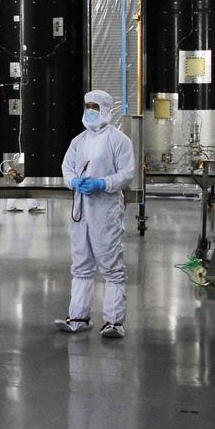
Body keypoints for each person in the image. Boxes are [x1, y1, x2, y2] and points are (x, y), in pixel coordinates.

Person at [56, 90, 135, 337]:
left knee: (110, 264)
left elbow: (127, 173)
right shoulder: (78, 141)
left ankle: (114, 321)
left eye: (94, 106)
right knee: (81, 264)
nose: (89, 110)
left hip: (105, 210)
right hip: (81, 209)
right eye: (87, 105)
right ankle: (78, 316)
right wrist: (73, 182)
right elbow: (67, 167)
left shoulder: (119, 140)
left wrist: (103, 183)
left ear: (105, 110)